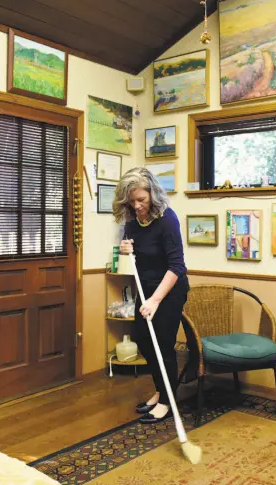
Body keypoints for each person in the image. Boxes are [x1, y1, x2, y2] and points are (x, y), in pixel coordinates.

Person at [112, 167, 189, 424]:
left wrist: (156, 300)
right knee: (143, 341)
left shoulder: (168, 220)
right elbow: (134, 259)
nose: (137, 206)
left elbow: (177, 266)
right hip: (144, 290)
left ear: (153, 195)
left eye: (141, 200)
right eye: (131, 201)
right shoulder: (133, 221)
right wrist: (124, 250)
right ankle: (160, 390)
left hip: (168, 292)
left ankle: (167, 401)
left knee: (163, 345)